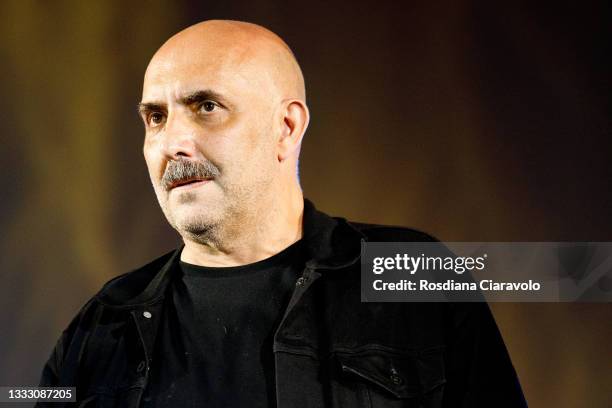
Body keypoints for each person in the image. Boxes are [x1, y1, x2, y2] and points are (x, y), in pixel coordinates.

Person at [37, 20, 527, 408]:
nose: (172, 143)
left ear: (286, 127)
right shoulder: (101, 325)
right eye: (156, 117)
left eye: (206, 106)